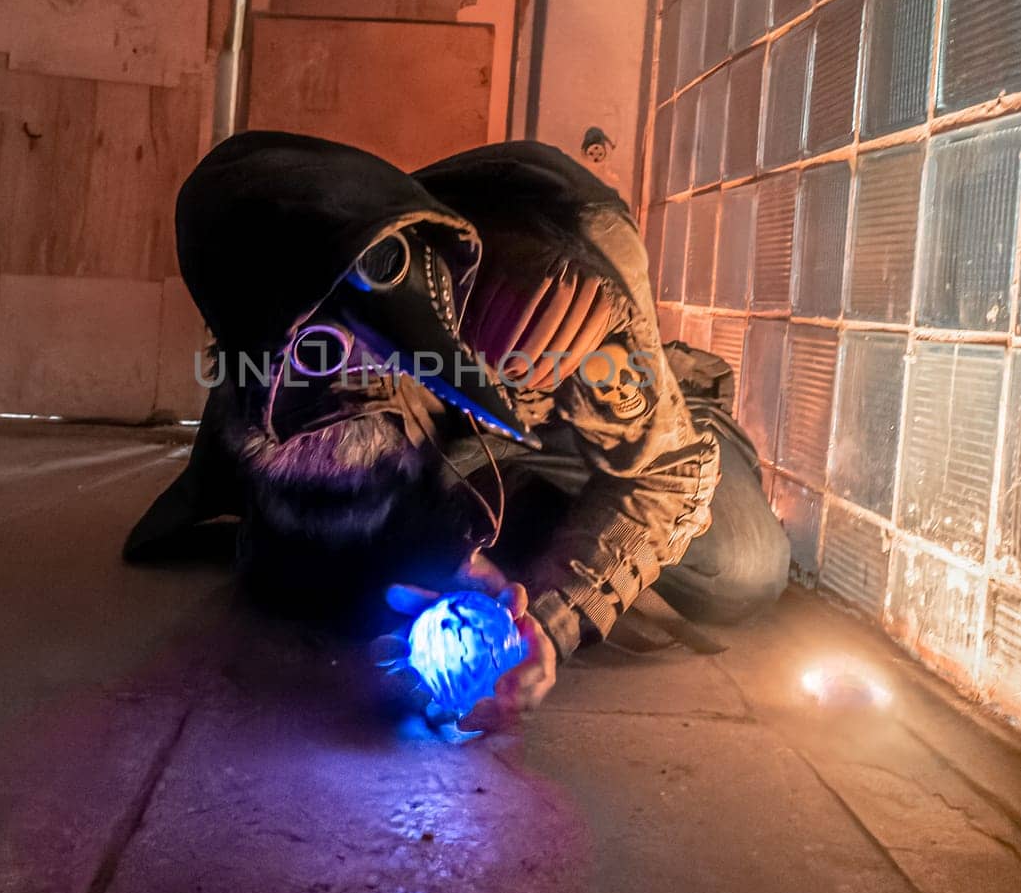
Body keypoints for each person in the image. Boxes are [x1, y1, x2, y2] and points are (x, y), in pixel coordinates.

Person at [125, 132, 789, 726]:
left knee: (738, 563)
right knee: (299, 575)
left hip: (570, 430)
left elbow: (659, 474)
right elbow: (316, 521)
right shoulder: (278, 334)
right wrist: (429, 562)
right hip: (447, 454)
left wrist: (550, 622)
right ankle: (487, 527)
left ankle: (682, 409)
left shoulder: (558, 268)